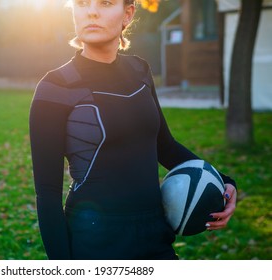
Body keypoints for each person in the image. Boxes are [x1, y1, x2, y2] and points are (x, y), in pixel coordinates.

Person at [29, 0, 237, 260]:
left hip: (155, 232)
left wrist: (224, 181)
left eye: (105, 3)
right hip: (94, 239)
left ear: (127, 14)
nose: (91, 11)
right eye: (82, 3)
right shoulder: (55, 87)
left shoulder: (139, 70)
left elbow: (165, 146)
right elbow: (47, 194)